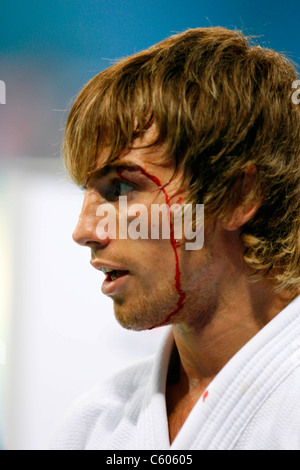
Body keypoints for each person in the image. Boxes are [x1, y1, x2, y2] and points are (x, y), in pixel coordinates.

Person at [51, 27, 300, 450]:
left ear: (240, 196)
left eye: (123, 188)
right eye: (88, 192)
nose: (85, 231)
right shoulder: (96, 424)